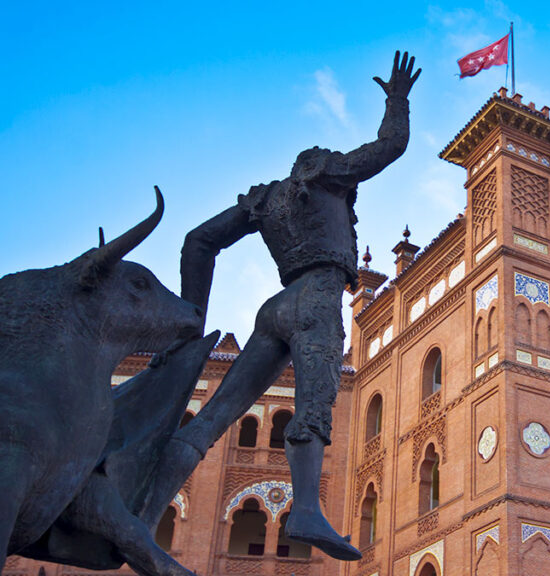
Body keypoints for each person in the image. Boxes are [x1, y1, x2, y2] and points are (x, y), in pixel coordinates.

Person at [141, 51, 420, 561]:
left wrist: (190, 321)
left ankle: (144, 511)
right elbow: (390, 146)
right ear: (322, 165)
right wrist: (397, 99)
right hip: (316, 301)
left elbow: (197, 242)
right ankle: (308, 509)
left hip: (275, 306)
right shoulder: (327, 175)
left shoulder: (265, 199)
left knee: (214, 417)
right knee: (314, 411)